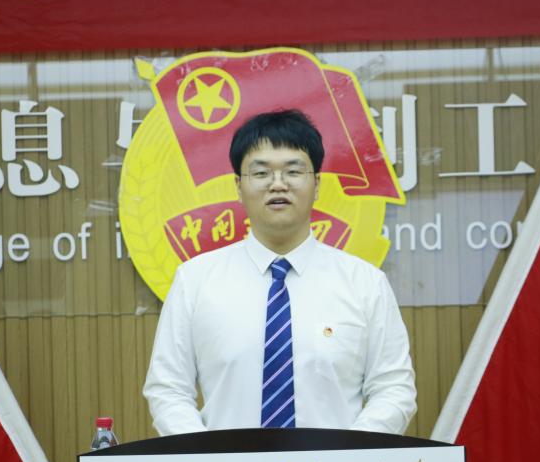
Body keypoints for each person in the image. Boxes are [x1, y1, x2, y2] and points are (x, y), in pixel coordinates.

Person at [143, 109, 416, 436]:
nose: (278, 184)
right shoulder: (195, 281)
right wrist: (208, 457)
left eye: (293, 171)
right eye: (261, 173)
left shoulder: (365, 283)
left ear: (316, 184)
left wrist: (349, 455)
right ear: (238, 186)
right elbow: (168, 389)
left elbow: (393, 389)